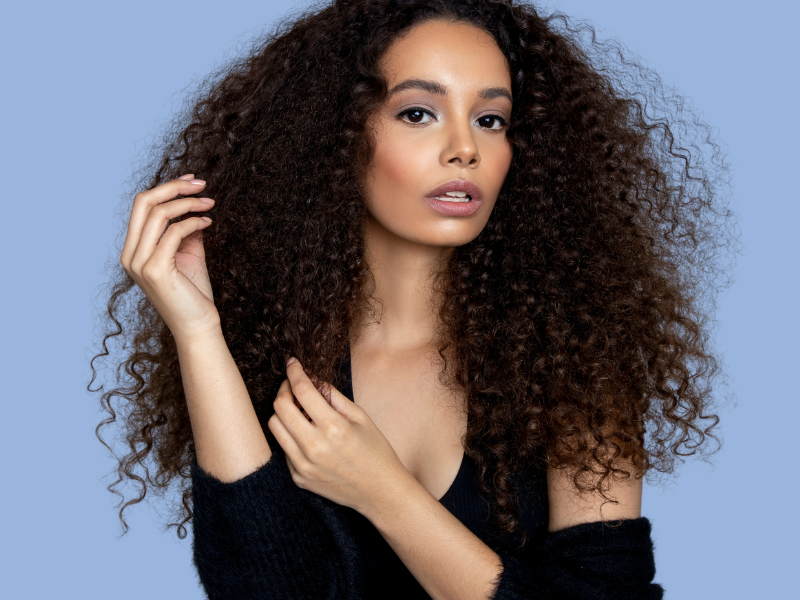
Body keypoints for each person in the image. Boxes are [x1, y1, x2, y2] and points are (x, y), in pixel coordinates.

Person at [89, 1, 736, 598]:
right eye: (419, 112)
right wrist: (199, 332)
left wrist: (385, 493)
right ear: (338, 135)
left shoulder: (574, 366)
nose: (464, 148)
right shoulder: (272, 351)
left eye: (491, 119)